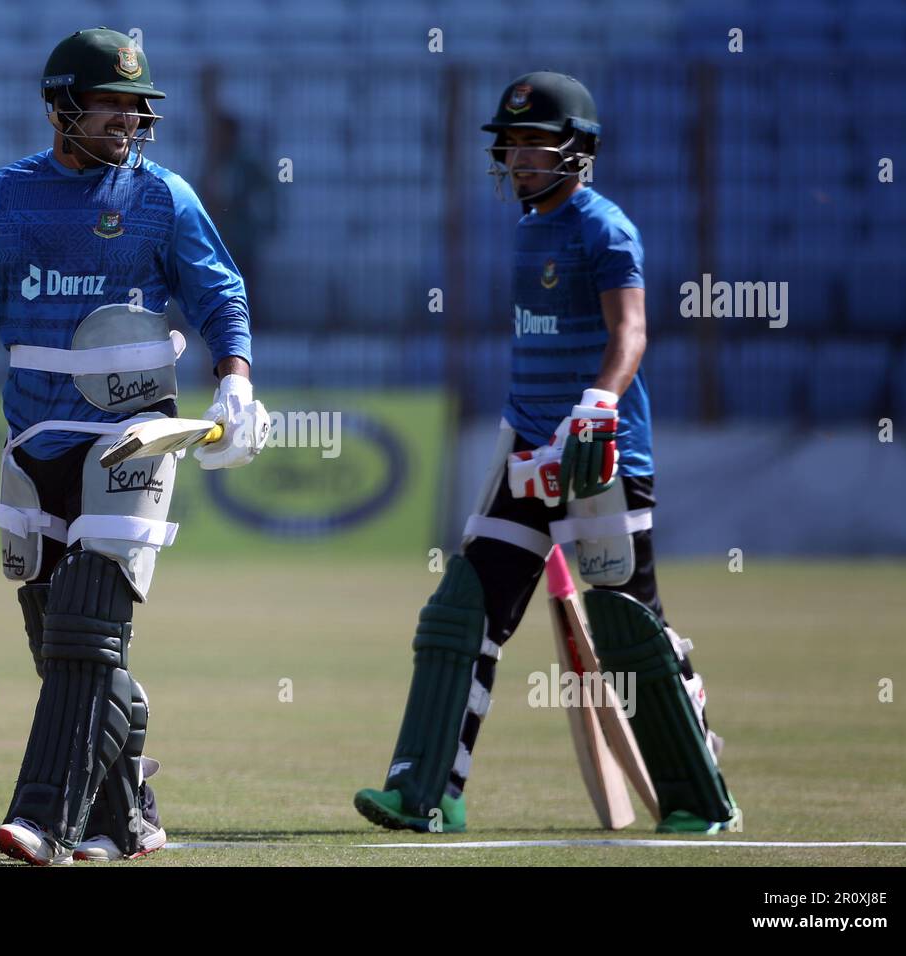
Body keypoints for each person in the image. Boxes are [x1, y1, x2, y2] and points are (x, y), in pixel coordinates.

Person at [0, 28, 270, 864]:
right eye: (113, 103)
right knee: (61, 645)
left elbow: (220, 289)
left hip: (135, 439)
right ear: (61, 106)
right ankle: (128, 817)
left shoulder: (164, 196)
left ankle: (43, 821)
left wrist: (236, 378)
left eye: (140, 107)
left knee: (86, 626)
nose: (131, 119)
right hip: (35, 444)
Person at [354, 72, 739, 835]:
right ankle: (428, 793)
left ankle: (700, 794)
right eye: (513, 144)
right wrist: (540, 431)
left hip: (600, 454)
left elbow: (630, 332)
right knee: (466, 611)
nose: (521, 157)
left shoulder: (604, 227)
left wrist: (598, 405)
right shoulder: (528, 228)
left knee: (630, 625)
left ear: (578, 151)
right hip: (527, 446)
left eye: (538, 142)